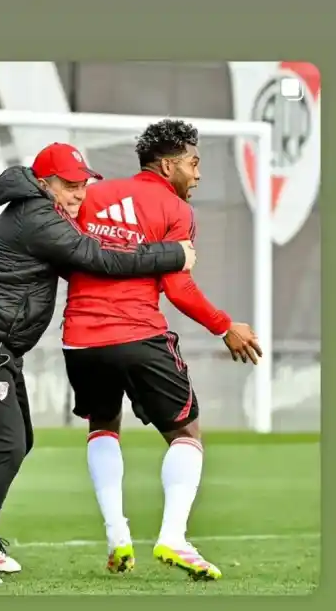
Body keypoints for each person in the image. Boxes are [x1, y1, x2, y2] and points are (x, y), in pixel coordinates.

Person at [0, 142, 196, 584]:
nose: (79, 194)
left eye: (83, 184)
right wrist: (175, 254)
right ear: (44, 183)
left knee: (19, 443)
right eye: (69, 185)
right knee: (8, 447)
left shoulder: (44, 211)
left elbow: (85, 256)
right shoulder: (38, 217)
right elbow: (95, 258)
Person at [61, 119, 262, 581]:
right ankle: (173, 536)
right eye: (193, 163)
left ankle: (117, 535)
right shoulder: (174, 208)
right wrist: (225, 326)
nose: (198, 174)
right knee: (187, 434)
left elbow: (60, 251)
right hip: (138, 333)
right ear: (169, 164)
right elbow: (178, 286)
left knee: (102, 424)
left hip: (81, 338)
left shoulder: (89, 195)